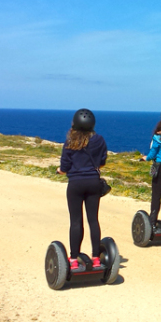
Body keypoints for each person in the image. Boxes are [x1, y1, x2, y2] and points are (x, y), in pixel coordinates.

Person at [56, 109, 108, 270]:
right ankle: (96, 259)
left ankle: (73, 260)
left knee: (76, 222)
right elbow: (102, 162)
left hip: (76, 185)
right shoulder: (99, 140)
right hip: (93, 183)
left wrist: (60, 171)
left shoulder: (70, 142)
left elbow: (64, 167)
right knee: (93, 220)